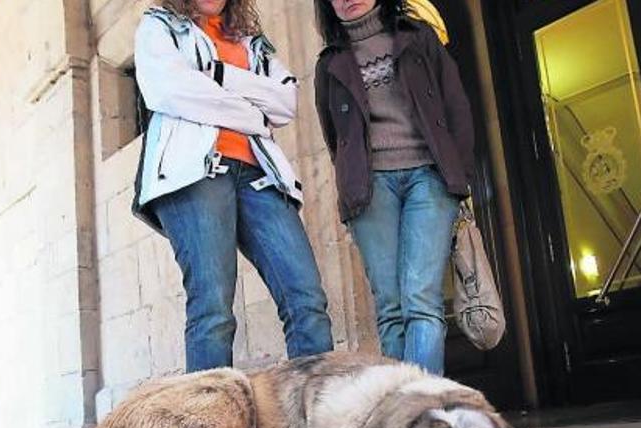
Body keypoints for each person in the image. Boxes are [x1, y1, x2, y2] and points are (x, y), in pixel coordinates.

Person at [132, 0, 334, 372]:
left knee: (306, 300)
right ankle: (208, 425)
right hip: (195, 175)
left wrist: (219, 75)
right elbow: (168, 91)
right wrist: (253, 115)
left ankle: (316, 417)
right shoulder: (159, 26)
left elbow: (285, 103)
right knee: (213, 311)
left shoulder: (251, 41)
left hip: (260, 173)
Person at [314, 0, 475, 375]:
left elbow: (457, 108)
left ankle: (422, 413)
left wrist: (457, 175)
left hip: (429, 178)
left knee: (421, 300)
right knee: (391, 309)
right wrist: (351, 183)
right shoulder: (329, 64)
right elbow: (335, 138)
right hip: (370, 191)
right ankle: (403, 418)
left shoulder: (418, 38)